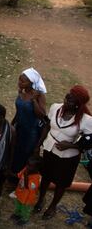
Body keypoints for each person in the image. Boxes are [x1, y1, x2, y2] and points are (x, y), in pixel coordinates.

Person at [34, 85, 92, 220]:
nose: (66, 102)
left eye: (71, 101)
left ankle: (53, 206)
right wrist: (38, 145)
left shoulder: (86, 120)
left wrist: (71, 145)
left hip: (68, 158)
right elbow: (48, 125)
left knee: (61, 183)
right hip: (49, 149)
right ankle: (41, 199)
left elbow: (89, 140)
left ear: (78, 105)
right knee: (46, 176)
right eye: (67, 98)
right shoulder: (55, 108)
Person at [11, 68, 47, 180]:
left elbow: (41, 115)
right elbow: (19, 110)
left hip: (31, 132)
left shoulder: (39, 95)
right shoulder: (22, 92)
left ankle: (23, 182)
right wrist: (12, 124)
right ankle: (13, 177)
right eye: (19, 80)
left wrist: (34, 101)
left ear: (31, 83)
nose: (19, 83)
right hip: (19, 128)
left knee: (26, 156)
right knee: (15, 152)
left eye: (23, 81)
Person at [11, 156, 42, 226]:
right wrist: (10, 173)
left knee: (25, 209)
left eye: (31, 166)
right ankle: (18, 214)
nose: (28, 167)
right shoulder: (26, 169)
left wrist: (26, 176)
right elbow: (18, 175)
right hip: (20, 193)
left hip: (27, 198)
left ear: (37, 168)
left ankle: (25, 219)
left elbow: (27, 186)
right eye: (27, 165)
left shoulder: (36, 178)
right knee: (18, 205)